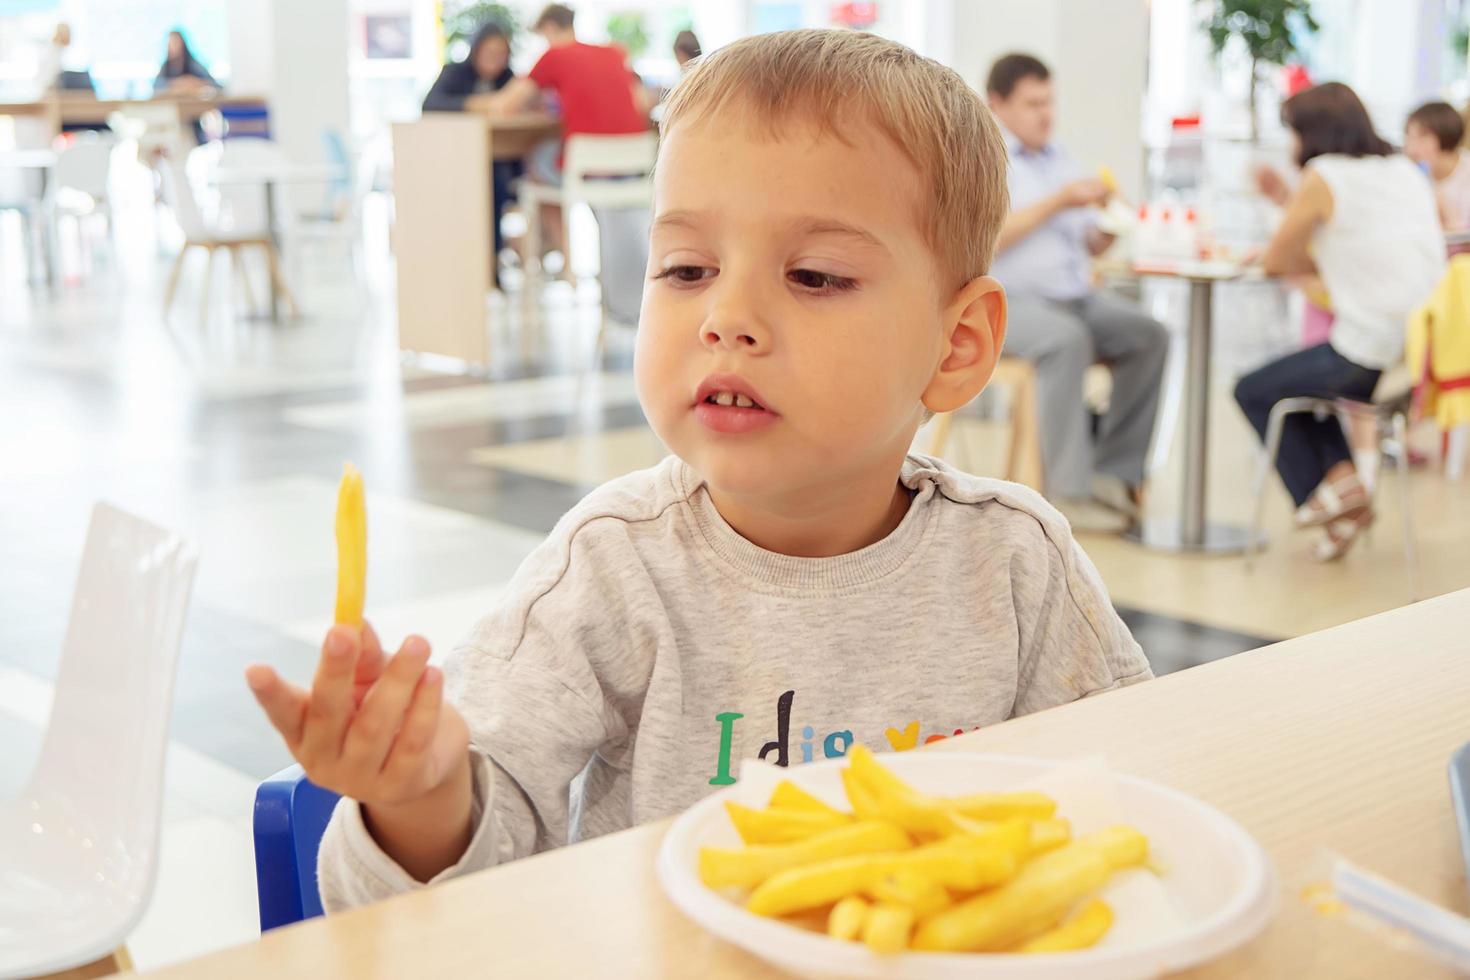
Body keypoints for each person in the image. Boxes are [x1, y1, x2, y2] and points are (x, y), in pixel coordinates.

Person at [242, 29, 1151, 910]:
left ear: (955, 346)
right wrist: (419, 799)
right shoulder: (611, 569)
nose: (727, 316)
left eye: (815, 275)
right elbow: (457, 890)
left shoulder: (1017, 563)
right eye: (684, 268)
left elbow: (1142, 798)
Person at [1236, 83, 1444, 561]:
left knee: (1252, 389)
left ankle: (1325, 493)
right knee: (1304, 390)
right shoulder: (1401, 169)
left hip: (1368, 346)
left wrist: (1289, 235)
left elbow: (1275, 260)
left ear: (1309, 133)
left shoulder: (1324, 173)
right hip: (1418, 349)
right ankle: (1345, 490)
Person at [984, 54, 1169, 533]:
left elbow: (1087, 237)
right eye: (1032, 104)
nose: (1045, 114)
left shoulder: (1057, 156)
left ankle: (1115, 473)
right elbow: (988, 237)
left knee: (1148, 334)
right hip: (1007, 304)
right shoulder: (985, 158)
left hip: (1073, 297)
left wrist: (1104, 231)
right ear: (998, 104)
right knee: (1066, 341)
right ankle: (1068, 493)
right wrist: (1058, 201)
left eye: (1049, 102)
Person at [482, 4, 649, 185]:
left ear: (550, 28)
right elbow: (642, 104)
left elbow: (506, 106)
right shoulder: (613, 52)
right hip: (633, 160)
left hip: (588, 167)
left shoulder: (554, 55)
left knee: (537, 156)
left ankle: (553, 212)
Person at [422, 23, 521, 257]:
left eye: (500, 55)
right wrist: (478, 103)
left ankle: (493, 259)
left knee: (497, 183)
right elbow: (430, 105)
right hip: (456, 158)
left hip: (499, 160)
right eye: (489, 53)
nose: (494, 60)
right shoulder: (454, 73)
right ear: (476, 51)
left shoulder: (509, 79)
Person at [1403, 101, 1470, 232]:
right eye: (1409, 136)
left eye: (1422, 137)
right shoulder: (1414, 174)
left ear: (1445, 134)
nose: (1412, 146)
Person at [154, 29, 217, 93]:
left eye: (175, 43)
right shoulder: (166, 66)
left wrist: (194, 82)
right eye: (170, 43)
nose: (172, 47)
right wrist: (177, 83)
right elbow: (156, 85)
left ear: (182, 44)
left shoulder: (193, 65)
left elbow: (214, 84)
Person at [33, 23, 70, 95]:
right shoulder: (53, 51)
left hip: (49, 89)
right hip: (48, 90)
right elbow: (49, 75)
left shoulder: (57, 50)